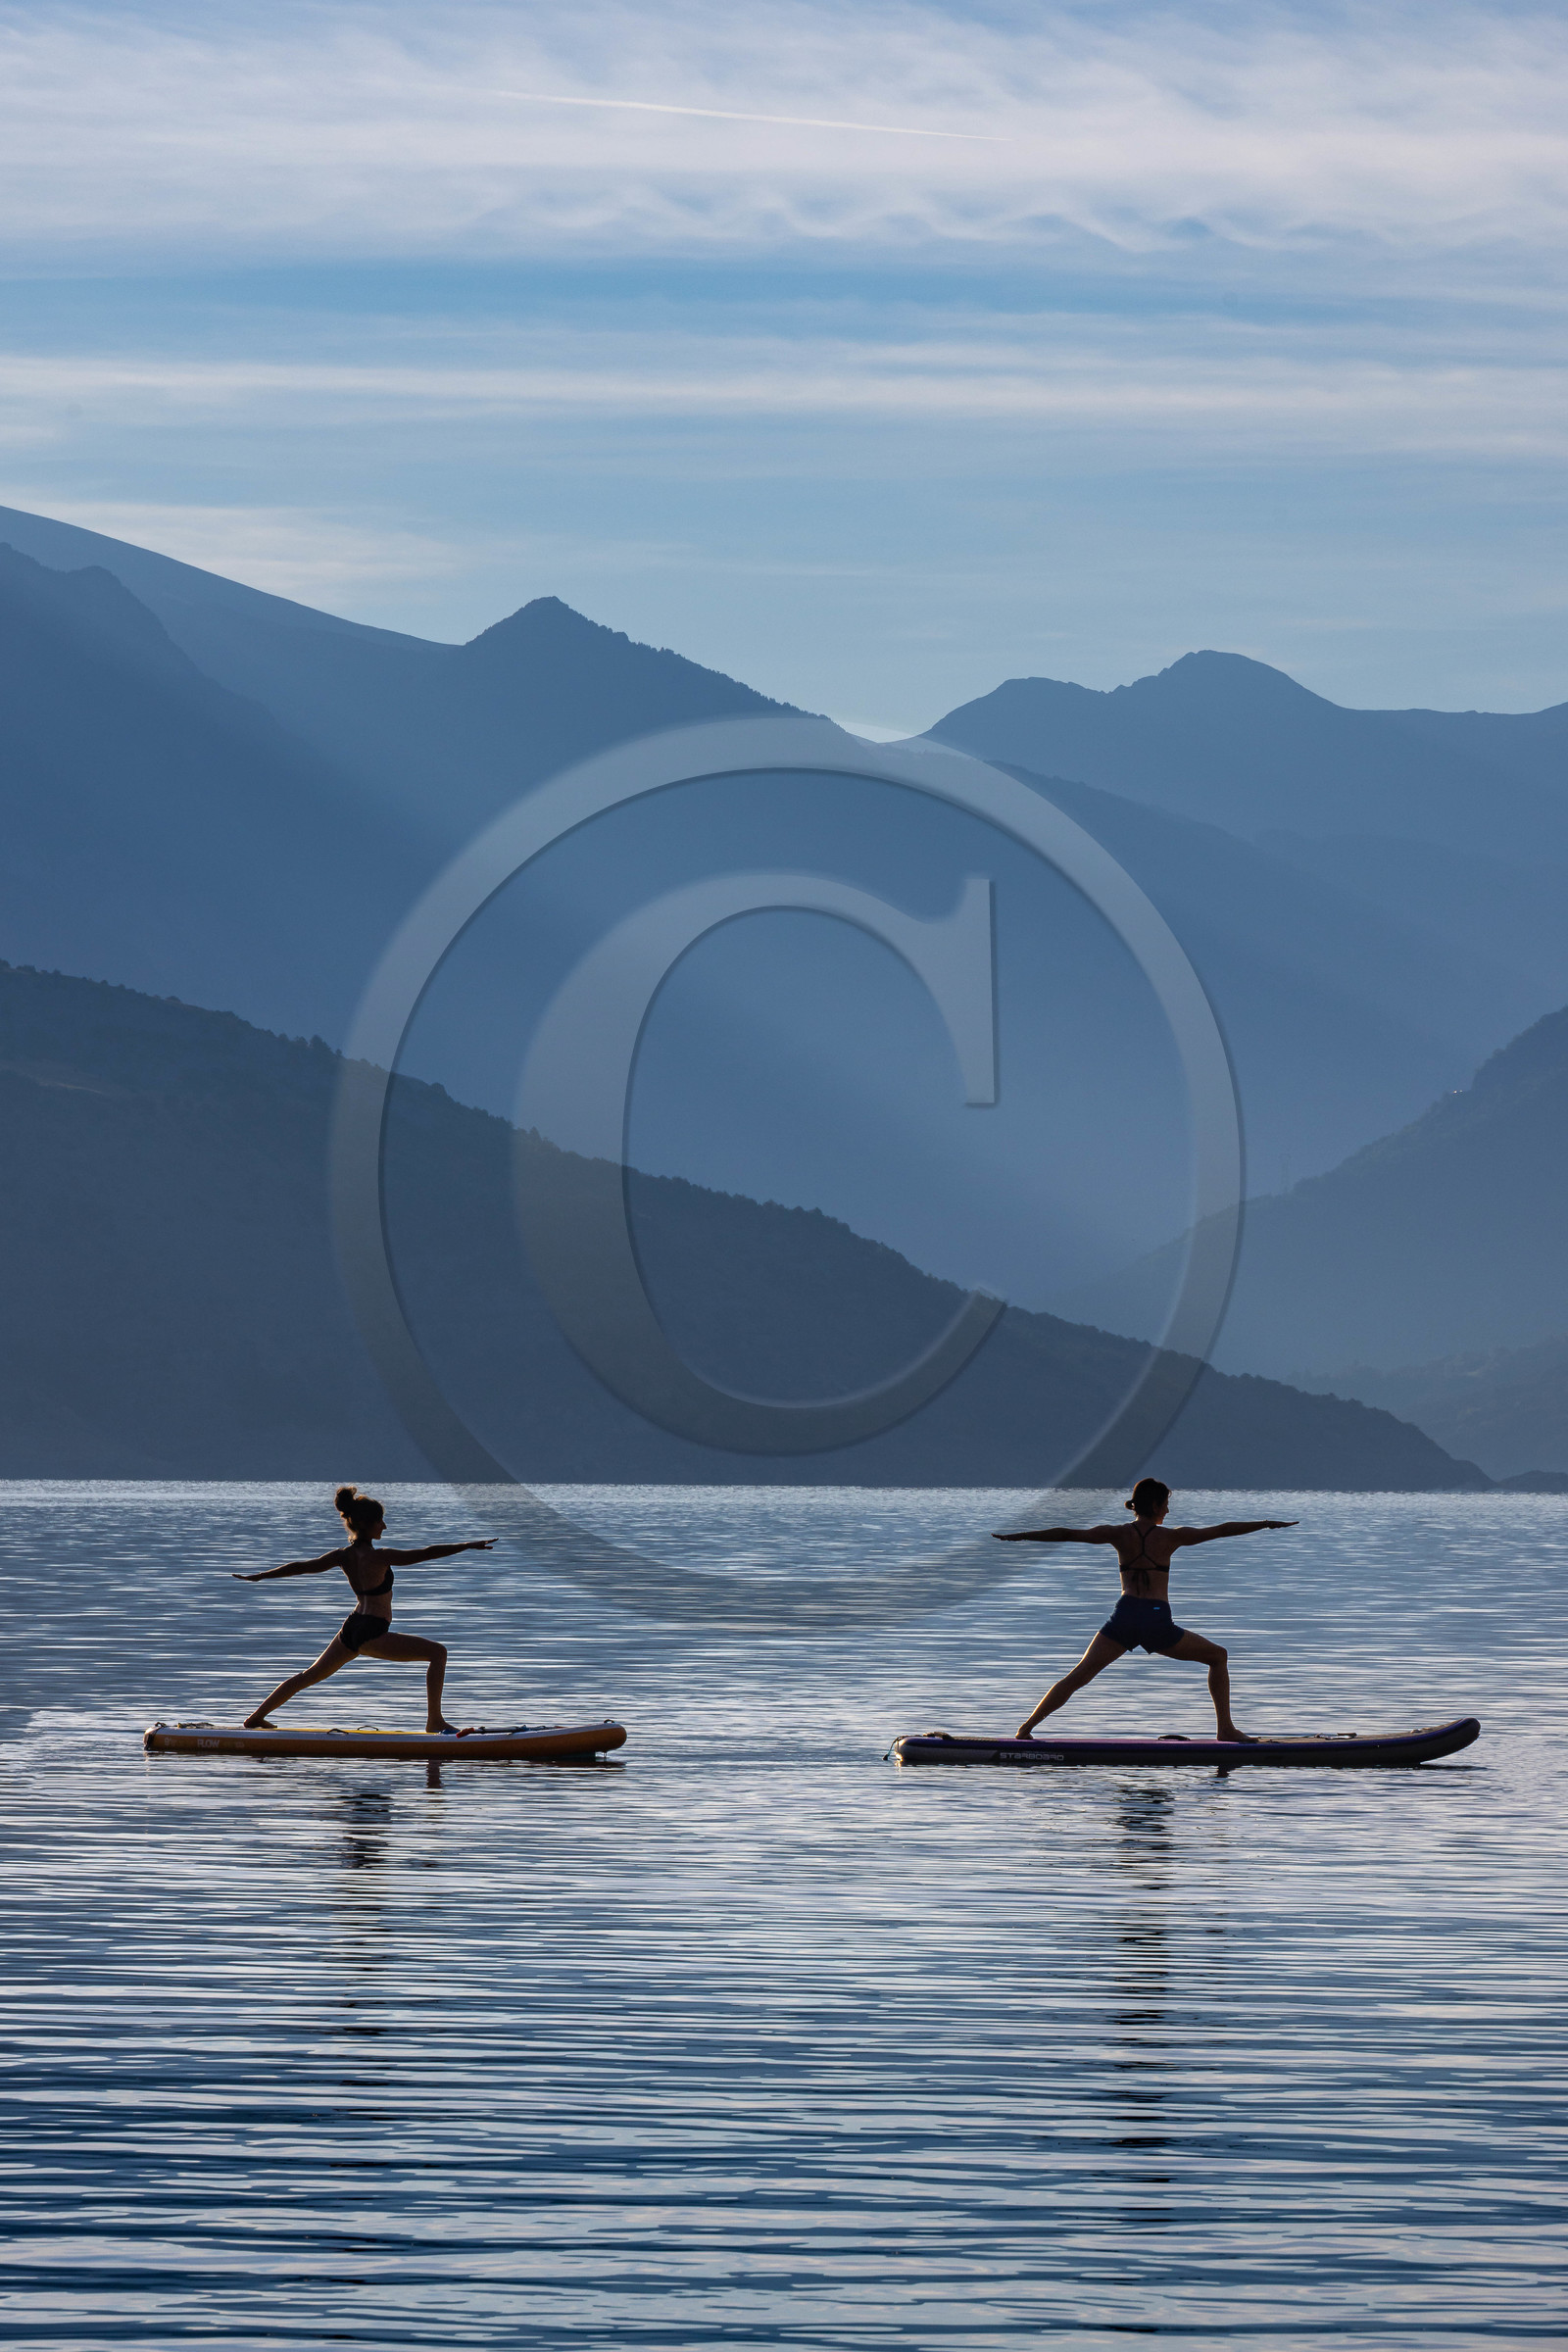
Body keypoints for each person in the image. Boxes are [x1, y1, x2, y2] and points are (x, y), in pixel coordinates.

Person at [994, 1478, 1297, 1741]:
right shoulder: (1171, 1537)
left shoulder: (1116, 1533)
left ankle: (1025, 1729)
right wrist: (1266, 1524)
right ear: (1154, 1505)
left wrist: (1019, 1536)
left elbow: (1066, 1533)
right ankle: (1226, 1730)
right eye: (1165, 1504)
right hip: (1154, 1619)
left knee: (1079, 1675)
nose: (1168, 1510)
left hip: (1124, 1616)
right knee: (1218, 1657)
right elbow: (1222, 1530)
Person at [233, 1485, 495, 1733]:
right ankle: (435, 1722)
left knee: (309, 1675)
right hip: (371, 1631)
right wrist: (467, 1546)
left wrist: (261, 1576)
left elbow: (301, 1566)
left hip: (353, 1627)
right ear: (367, 1524)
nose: (385, 1526)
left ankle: (256, 1718)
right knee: (438, 1653)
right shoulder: (380, 1556)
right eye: (380, 1521)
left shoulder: (342, 1555)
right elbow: (427, 1552)